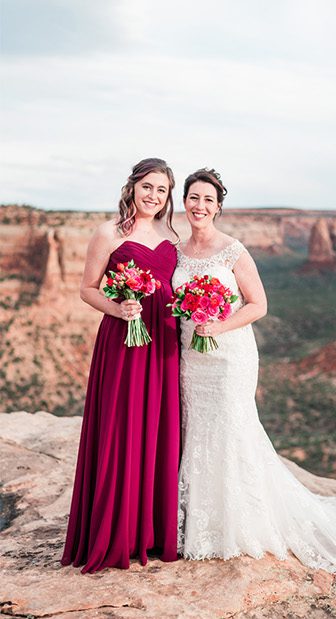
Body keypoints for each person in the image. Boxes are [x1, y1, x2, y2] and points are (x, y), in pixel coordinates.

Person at [173, 168, 336, 597]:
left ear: (219, 206)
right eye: (193, 197)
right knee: (197, 429)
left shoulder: (233, 250)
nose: (199, 206)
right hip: (190, 357)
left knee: (230, 428)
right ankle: (198, 521)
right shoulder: (176, 251)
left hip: (228, 356)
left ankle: (238, 522)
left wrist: (218, 325)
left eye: (208, 200)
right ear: (185, 201)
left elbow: (259, 305)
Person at [63, 157, 182, 572]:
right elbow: (86, 289)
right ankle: (114, 534)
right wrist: (118, 308)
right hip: (125, 340)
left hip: (164, 342)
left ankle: (148, 533)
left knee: (157, 430)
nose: (153, 196)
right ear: (132, 187)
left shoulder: (172, 234)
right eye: (147, 186)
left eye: (162, 190)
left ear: (168, 196)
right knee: (123, 427)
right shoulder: (108, 233)